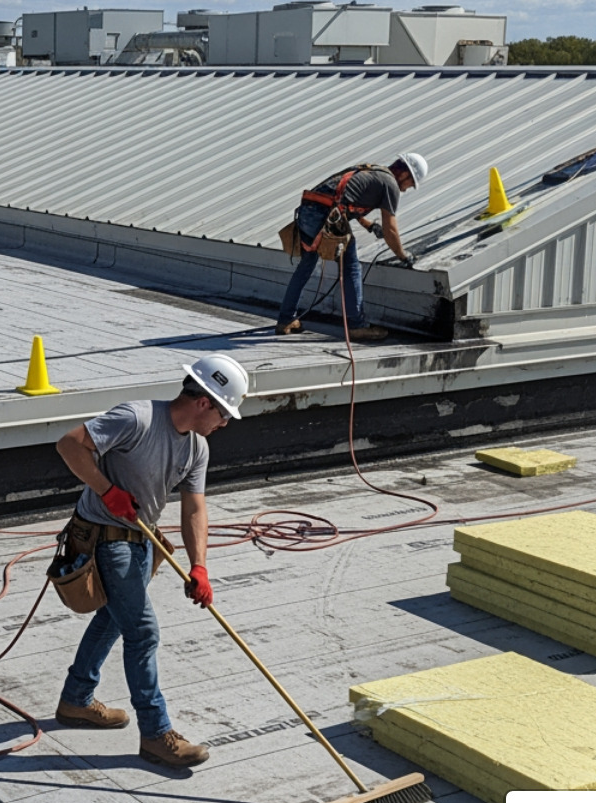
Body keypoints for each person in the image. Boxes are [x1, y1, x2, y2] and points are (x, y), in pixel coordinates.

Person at [52, 353, 249, 768]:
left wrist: (199, 567)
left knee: (113, 619)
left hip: (143, 541)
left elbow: (194, 508)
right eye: (224, 412)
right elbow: (69, 444)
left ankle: (75, 699)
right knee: (141, 631)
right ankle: (157, 734)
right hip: (105, 539)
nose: (226, 423)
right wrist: (108, 491)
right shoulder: (137, 419)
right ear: (203, 402)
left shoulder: (197, 448)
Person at [275, 151, 429, 342]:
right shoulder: (390, 185)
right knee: (352, 267)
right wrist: (403, 256)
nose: (406, 189)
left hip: (308, 212)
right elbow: (391, 229)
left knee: (306, 265)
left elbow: (344, 200)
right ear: (405, 174)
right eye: (411, 183)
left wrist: (369, 225)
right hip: (323, 216)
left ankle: (286, 319)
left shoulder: (373, 172)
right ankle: (357, 326)